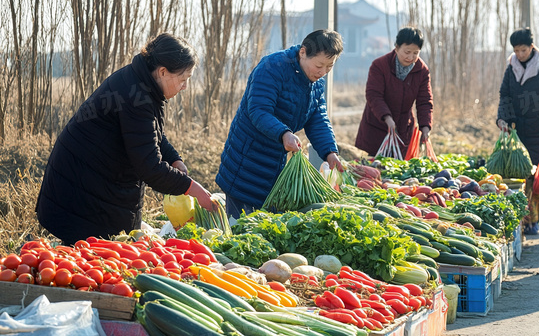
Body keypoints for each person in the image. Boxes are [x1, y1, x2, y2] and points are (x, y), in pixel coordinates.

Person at [36, 33, 215, 245]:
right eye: (183, 79)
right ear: (163, 72)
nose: (185, 86)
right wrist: (193, 189)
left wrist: (175, 159)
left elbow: (149, 134)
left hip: (92, 184)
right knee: (86, 258)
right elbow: (149, 167)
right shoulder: (137, 96)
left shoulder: (141, 84)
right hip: (84, 192)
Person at [216, 29, 345, 219]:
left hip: (276, 166)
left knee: (267, 227)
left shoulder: (316, 83)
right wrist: (283, 133)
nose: (323, 72)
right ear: (303, 52)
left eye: (329, 67)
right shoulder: (272, 67)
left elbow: (317, 118)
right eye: (319, 65)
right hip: (248, 161)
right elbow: (259, 110)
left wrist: (329, 152)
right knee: (242, 228)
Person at [496, 27, 539, 235]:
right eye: (516, 50)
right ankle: (524, 220)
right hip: (518, 129)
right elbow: (504, 94)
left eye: (523, 50)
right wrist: (502, 118)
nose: (519, 54)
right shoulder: (511, 66)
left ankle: (534, 220)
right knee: (520, 175)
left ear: (531, 47)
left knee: (535, 177)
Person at [355, 27, 433, 156]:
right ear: (396, 48)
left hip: (404, 129)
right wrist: (387, 118)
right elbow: (374, 95)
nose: (411, 57)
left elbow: (424, 101)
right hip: (376, 127)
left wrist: (425, 126)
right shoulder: (380, 65)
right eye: (407, 52)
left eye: (416, 53)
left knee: (400, 170)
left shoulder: (422, 71)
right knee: (373, 169)